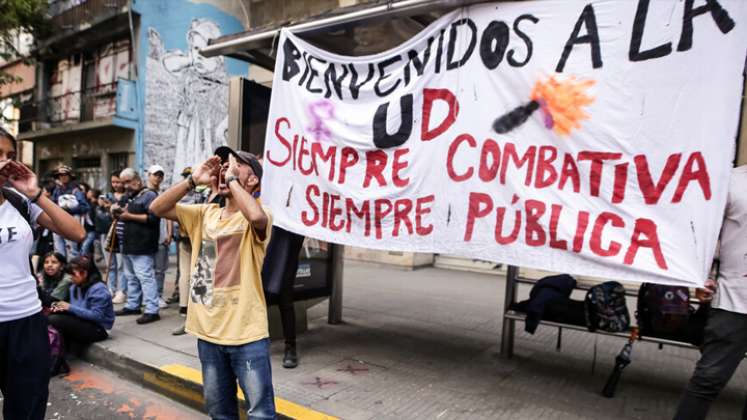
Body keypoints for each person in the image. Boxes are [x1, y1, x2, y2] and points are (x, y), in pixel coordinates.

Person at [150, 147, 276, 419]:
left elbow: (256, 218)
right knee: (220, 412)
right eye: (223, 165)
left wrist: (230, 180)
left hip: (247, 334)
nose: (224, 169)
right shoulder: (204, 214)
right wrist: (192, 180)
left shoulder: (259, 213)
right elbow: (156, 208)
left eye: (234, 165)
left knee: (261, 414)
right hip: (207, 333)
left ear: (252, 179)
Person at [0, 127, 85, 420]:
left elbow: (76, 232)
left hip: (27, 320)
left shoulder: (17, 201)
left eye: (10, 155)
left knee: (27, 409)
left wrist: (35, 193)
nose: (5, 162)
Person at [674, 164, 747, 420]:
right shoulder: (731, 181)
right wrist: (702, 275)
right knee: (707, 380)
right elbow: (705, 234)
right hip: (733, 303)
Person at [113, 168, 161, 324]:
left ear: (137, 180)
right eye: (123, 182)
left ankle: (152, 309)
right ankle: (133, 305)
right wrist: (113, 209)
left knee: (145, 277)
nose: (125, 186)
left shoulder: (150, 195)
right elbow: (118, 210)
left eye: (128, 182)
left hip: (142, 244)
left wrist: (129, 216)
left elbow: (153, 218)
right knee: (131, 277)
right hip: (127, 243)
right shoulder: (128, 196)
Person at [48, 256, 114, 345]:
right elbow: (77, 310)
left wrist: (69, 307)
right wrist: (59, 308)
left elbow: (97, 316)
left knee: (55, 320)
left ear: (85, 273)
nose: (70, 277)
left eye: (73, 274)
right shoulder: (74, 286)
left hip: (100, 328)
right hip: (83, 321)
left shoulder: (98, 289)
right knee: (51, 314)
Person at [171, 166, 205, 335]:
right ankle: (190, 314)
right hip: (192, 237)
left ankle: (188, 312)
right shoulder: (200, 194)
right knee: (193, 274)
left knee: (191, 274)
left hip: (190, 237)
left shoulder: (183, 193)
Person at [147, 164, 172, 309]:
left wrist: (169, 233)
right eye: (155, 174)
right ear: (149, 175)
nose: (158, 178)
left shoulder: (164, 193)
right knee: (146, 271)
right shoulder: (145, 193)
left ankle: (159, 295)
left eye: (160, 175)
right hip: (147, 237)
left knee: (160, 270)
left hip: (161, 237)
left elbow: (168, 215)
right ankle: (149, 297)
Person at [50, 164, 90, 258]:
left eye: (65, 175)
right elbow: (52, 204)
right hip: (57, 220)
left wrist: (70, 209)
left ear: (70, 176)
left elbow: (85, 207)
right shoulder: (57, 190)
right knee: (58, 248)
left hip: (72, 219)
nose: (63, 177)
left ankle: (72, 269)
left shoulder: (76, 190)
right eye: (60, 175)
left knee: (72, 248)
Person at [104, 170, 127, 302]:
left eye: (118, 181)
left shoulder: (127, 197)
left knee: (121, 265)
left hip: (121, 232)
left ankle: (121, 291)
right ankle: (110, 289)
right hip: (107, 232)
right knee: (110, 264)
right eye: (113, 182)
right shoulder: (108, 195)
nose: (115, 184)